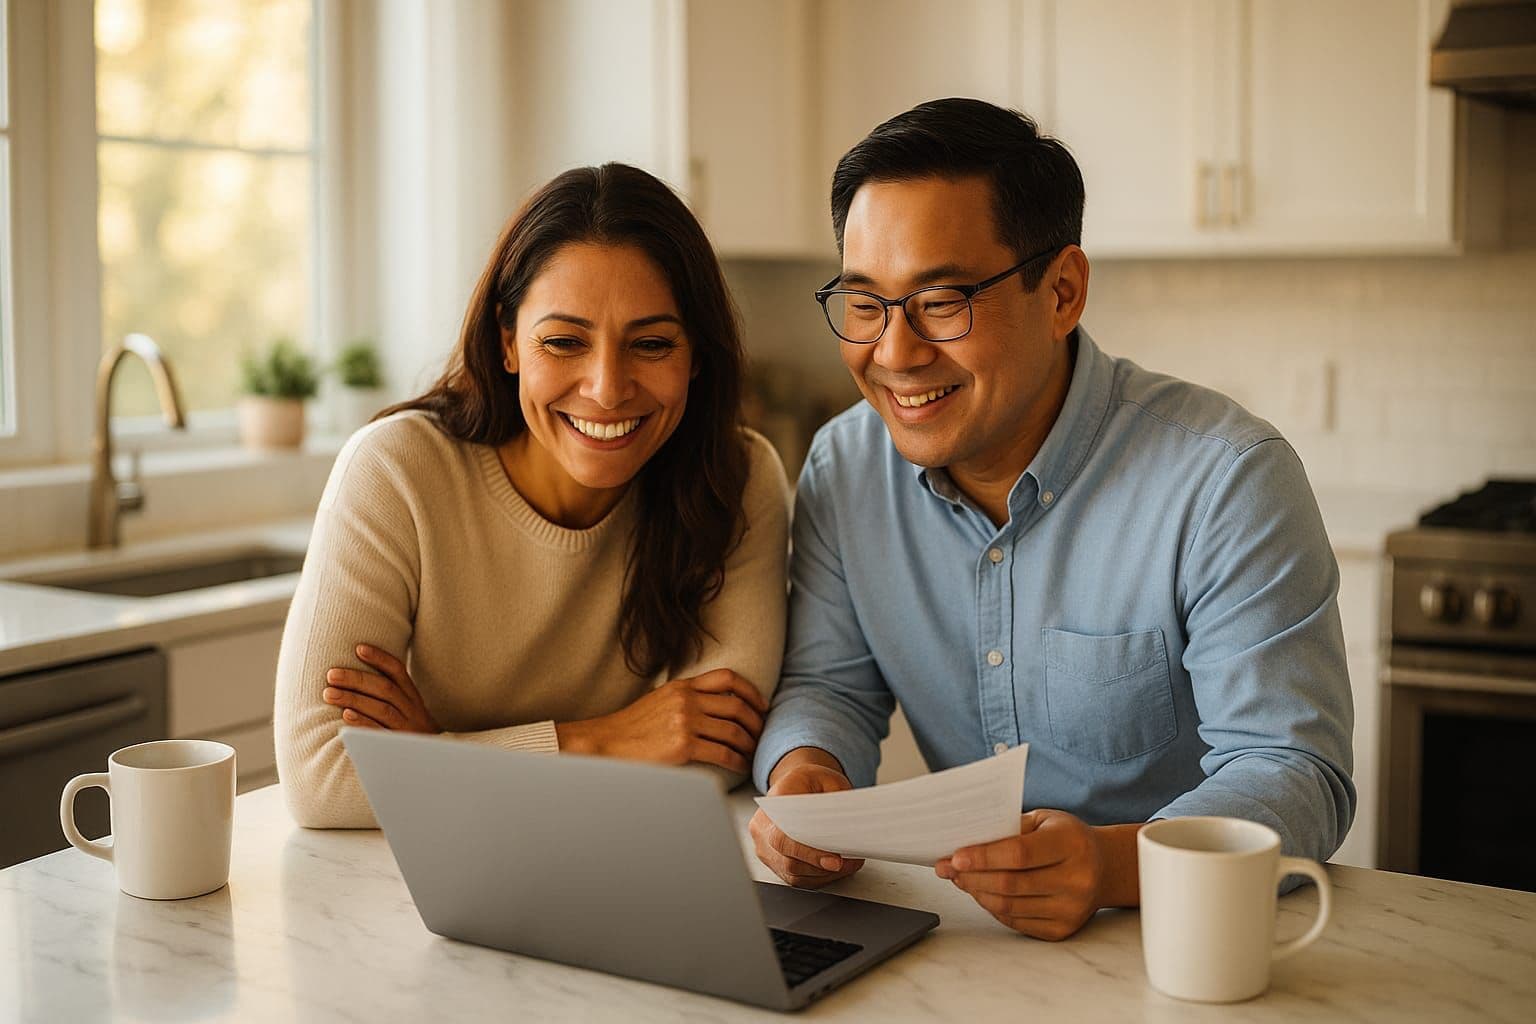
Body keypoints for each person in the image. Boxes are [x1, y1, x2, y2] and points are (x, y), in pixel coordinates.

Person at [749, 98, 1355, 940]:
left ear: (1062, 291)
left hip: (1180, 946)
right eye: (864, 303)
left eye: (942, 300)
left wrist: (1111, 866)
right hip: (962, 946)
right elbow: (830, 687)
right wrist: (805, 772)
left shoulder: (1226, 479)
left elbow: (1293, 770)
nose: (894, 352)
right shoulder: (845, 468)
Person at [275, 163, 790, 829]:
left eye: (652, 343)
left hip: (628, 860)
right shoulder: (396, 471)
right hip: (419, 875)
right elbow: (321, 780)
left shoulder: (738, 476)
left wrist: (438, 758)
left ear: (696, 355)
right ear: (508, 343)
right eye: (564, 342)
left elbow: (717, 751)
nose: (607, 388)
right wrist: (605, 740)